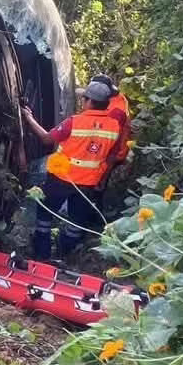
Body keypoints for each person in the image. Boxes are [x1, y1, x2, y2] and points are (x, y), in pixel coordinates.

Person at [20, 81, 128, 260]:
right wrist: (102, 178)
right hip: (88, 183)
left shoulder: (75, 122)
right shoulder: (114, 126)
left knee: (45, 214)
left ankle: (42, 254)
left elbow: (47, 139)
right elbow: (111, 156)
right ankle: (65, 254)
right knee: (76, 221)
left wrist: (28, 118)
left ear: (89, 101)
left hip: (61, 178)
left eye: (84, 99)